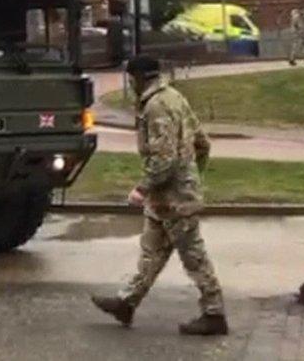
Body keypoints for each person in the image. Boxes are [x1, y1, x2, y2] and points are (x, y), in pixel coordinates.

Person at [91, 56, 227, 336]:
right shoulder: (175, 97)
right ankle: (126, 303)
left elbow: (163, 159)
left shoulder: (155, 107)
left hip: (174, 199)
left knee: (194, 256)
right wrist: (193, 175)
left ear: (139, 79)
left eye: (131, 80)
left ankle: (214, 314)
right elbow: (202, 142)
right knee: (151, 253)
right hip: (169, 197)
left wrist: (143, 188)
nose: (131, 85)